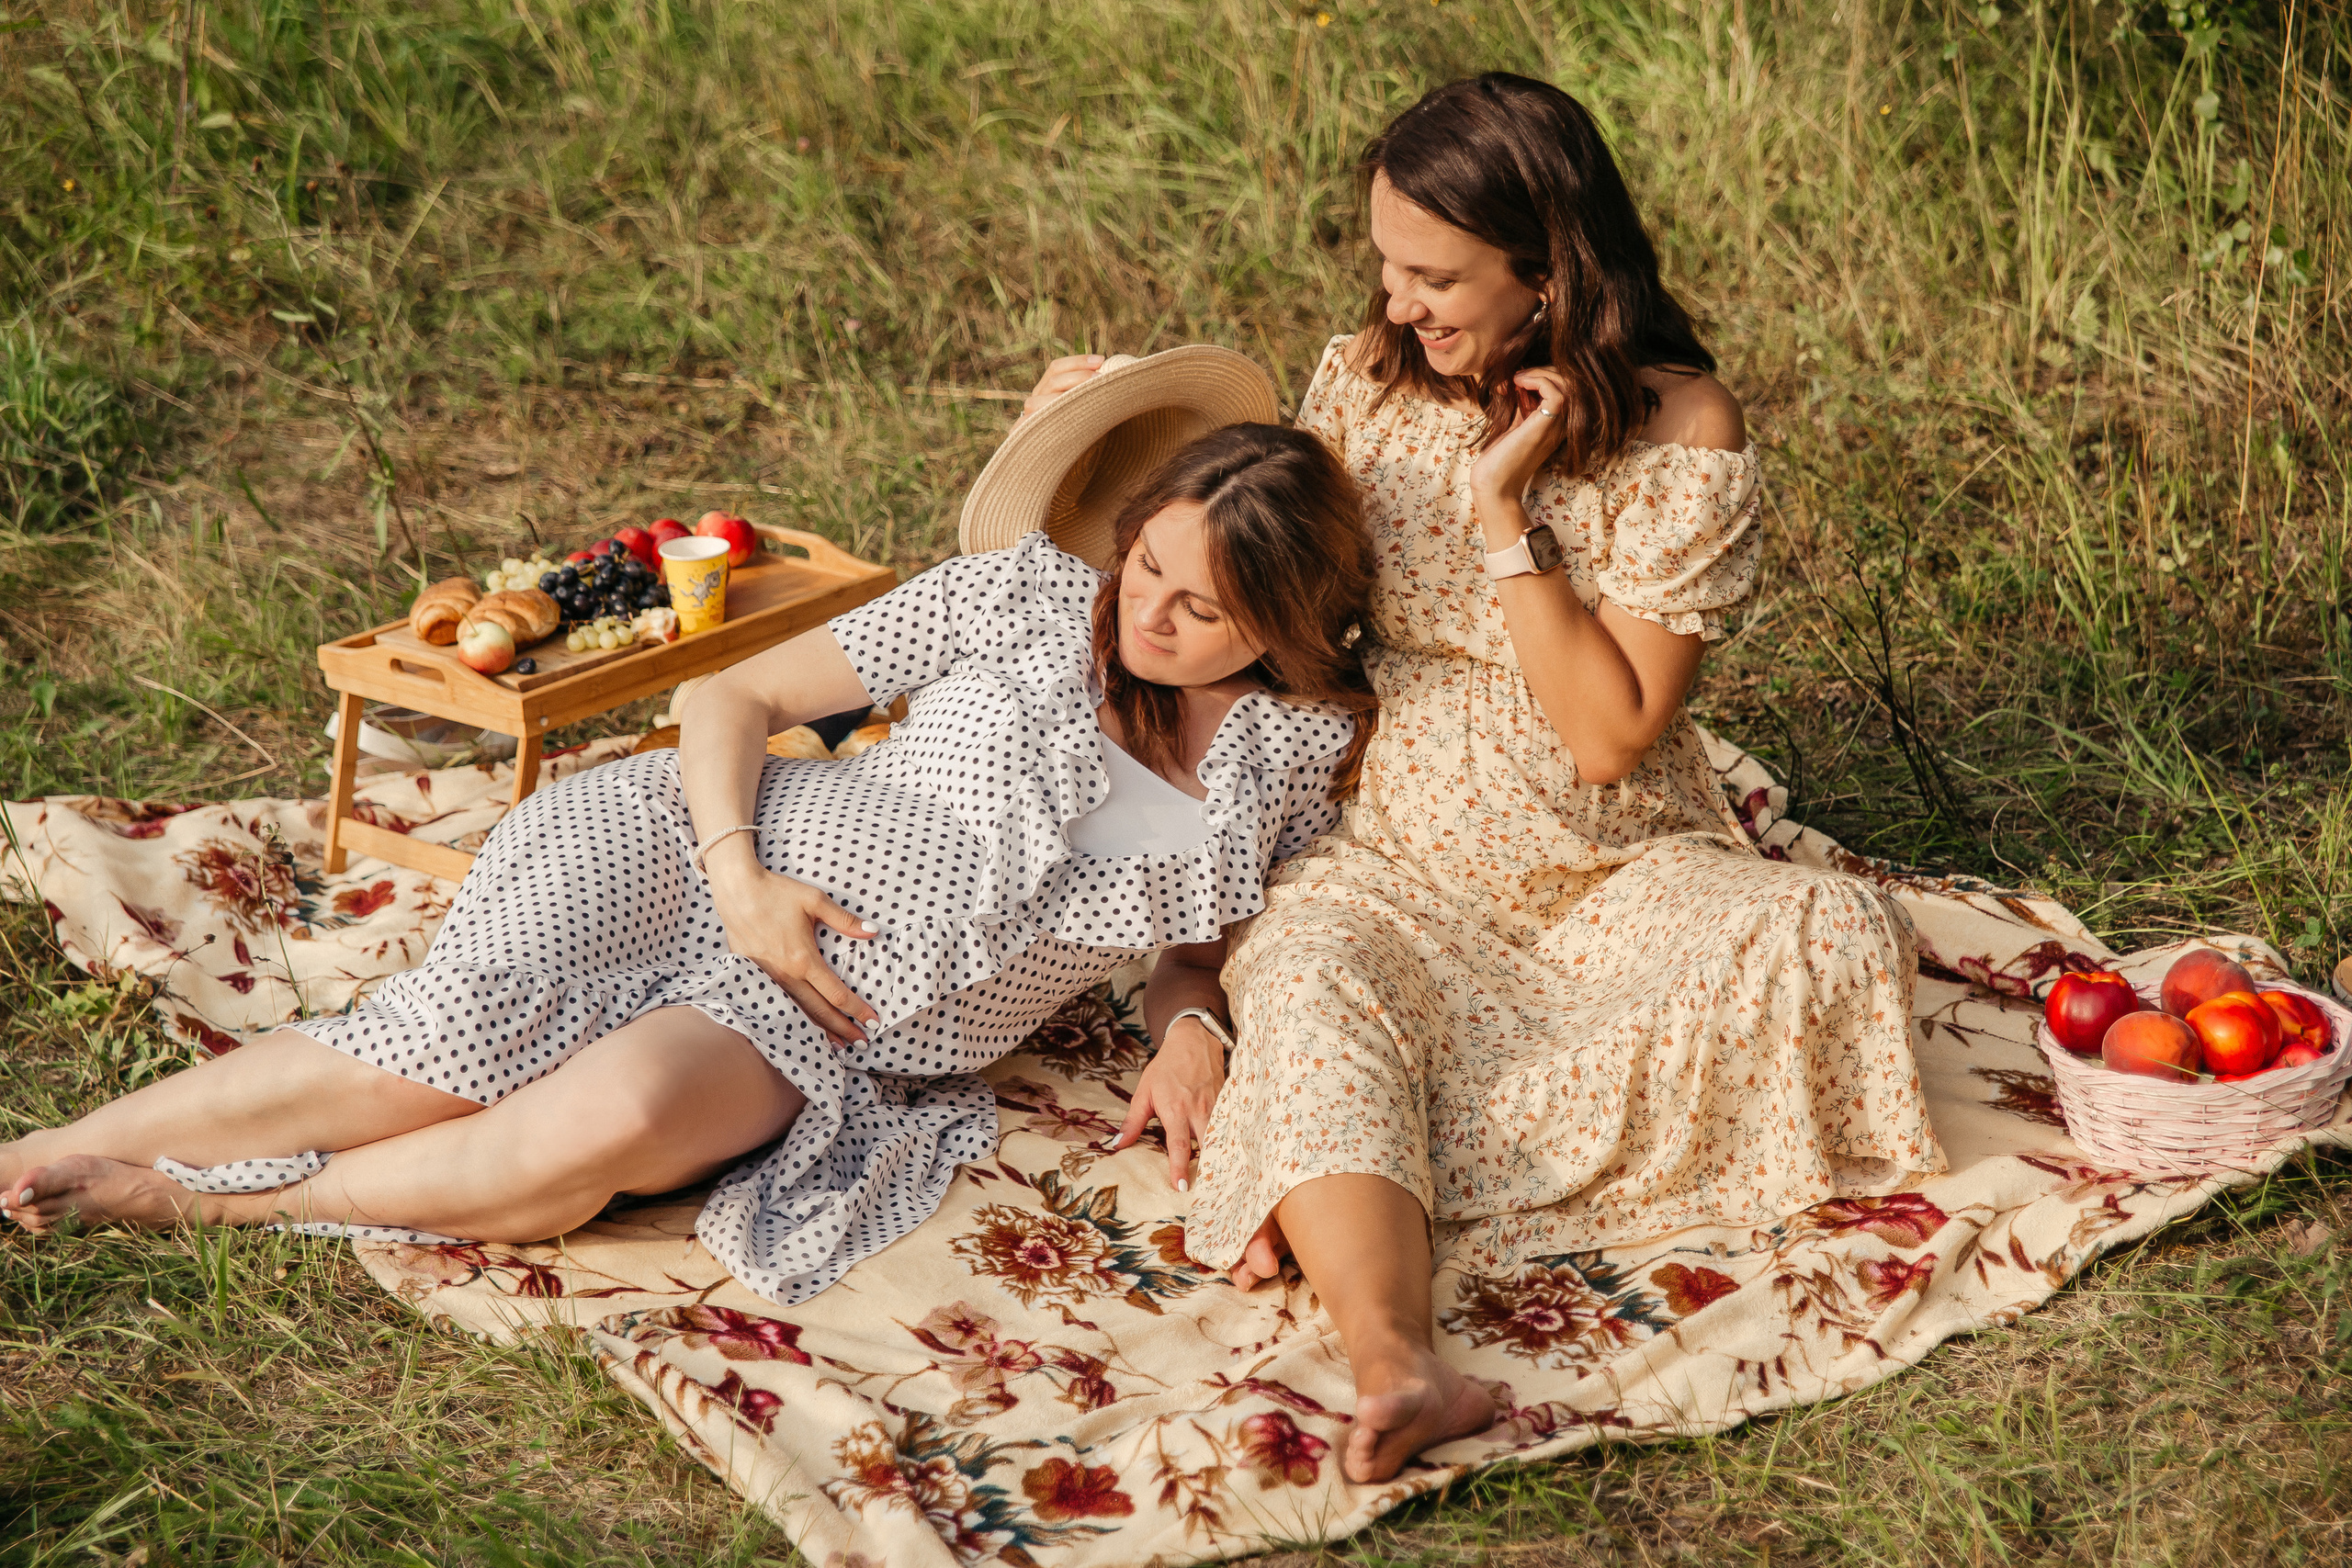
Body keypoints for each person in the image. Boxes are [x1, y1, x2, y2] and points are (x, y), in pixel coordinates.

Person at [3, 382, 1380, 1309]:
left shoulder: (1288, 760)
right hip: (707, 847)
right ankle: (51, 1147)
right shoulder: (1025, 595)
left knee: (607, 1126)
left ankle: (185, 1209)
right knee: (456, 1029)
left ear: (1280, 621)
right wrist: (747, 881)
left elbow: (1193, 956)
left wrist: (1194, 1026)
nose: (1148, 612)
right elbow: (733, 694)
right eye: (1147, 564)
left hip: (830, 1015)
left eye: (1201, 607)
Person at [1060, 73, 1947, 1484]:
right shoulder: (1367, 380)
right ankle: (1399, 1359)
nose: (1397, 304)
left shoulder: (1683, 432)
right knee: (1311, 981)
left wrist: (1501, 515)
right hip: (1396, 852)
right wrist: (1094, 434)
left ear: (1549, 268)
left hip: (1614, 864)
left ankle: (1387, 1150)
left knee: (1824, 932)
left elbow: (1610, 736)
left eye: (1434, 275)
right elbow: (1252, 601)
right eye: (1387, 268)